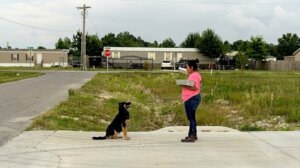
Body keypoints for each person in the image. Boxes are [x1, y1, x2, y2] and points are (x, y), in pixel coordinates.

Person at [180, 60, 202, 142]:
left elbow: (195, 87)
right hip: (192, 97)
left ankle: (192, 135)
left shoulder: (194, 75)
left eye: (187, 67)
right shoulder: (196, 74)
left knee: (191, 117)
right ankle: (192, 134)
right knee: (192, 117)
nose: (186, 69)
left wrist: (183, 85)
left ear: (191, 67)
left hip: (191, 98)